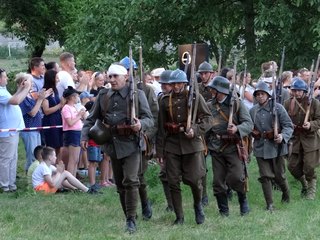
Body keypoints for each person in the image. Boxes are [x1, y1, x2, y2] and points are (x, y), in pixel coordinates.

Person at [81, 63, 153, 233]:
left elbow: (149, 118)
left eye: (116, 76)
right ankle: (129, 215)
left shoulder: (136, 94)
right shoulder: (104, 95)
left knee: (131, 181)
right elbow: (91, 119)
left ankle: (131, 219)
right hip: (112, 144)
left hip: (132, 144)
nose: (112, 80)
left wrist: (140, 124)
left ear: (125, 77)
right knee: (121, 186)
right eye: (110, 76)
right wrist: (84, 136)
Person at [156, 69, 212, 225]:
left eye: (179, 83)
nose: (176, 86)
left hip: (192, 146)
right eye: (173, 83)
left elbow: (208, 119)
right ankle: (179, 216)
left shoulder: (195, 98)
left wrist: (195, 130)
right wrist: (159, 151)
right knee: (172, 181)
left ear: (185, 84)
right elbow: (161, 127)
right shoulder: (165, 101)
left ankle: (198, 205)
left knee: (194, 180)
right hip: (172, 145)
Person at [206, 76, 253, 216]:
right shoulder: (209, 105)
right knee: (218, 182)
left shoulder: (237, 104)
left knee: (237, 177)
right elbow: (207, 126)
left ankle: (242, 200)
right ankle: (223, 211)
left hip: (234, 147)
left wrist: (237, 129)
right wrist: (205, 144)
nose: (212, 91)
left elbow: (249, 124)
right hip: (216, 146)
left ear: (221, 91)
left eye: (214, 89)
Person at [250, 81, 293, 211]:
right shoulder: (253, 111)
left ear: (268, 95)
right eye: (257, 94)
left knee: (279, 176)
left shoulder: (278, 108)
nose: (260, 96)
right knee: (265, 176)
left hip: (277, 147)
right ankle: (269, 204)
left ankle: (286, 193)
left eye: (262, 94)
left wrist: (283, 136)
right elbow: (248, 126)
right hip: (260, 147)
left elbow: (288, 125)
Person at [284, 78, 320, 200]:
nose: (297, 93)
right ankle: (304, 184)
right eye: (294, 90)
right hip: (296, 139)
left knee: (309, 167)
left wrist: (311, 125)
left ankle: (311, 190)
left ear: (304, 91)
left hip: (310, 139)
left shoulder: (314, 103)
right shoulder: (288, 103)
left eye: (299, 90)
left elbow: (319, 120)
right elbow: (285, 119)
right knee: (292, 166)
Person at [0, 69, 31, 192]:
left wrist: (21, 89)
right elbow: (16, 101)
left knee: (13, 158)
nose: (7, 79)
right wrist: (27, 89)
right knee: (6, 159)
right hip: (7, 130)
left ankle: (11, 184)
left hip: (13, 129)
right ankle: (4, 185)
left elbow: (14, 97)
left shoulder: (3, 90)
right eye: (5, 77)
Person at [18, 73, 52, 172]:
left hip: (35, 129)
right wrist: (41, 99)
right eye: (30, 82)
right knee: (32, 156)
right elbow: (32, 113)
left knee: (38, 155)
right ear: (22, 83)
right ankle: (30, 178)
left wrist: (43, 96)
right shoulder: (22, 98)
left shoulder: (29, 96)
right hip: (29, 130)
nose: (32, 85)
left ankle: (35, 176)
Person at [157, 70, 174, 211]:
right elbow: (159, 127)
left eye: (166, 84)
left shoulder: (186, 99)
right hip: (168, 143)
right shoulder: (161, 99)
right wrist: (159, 150)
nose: (163, 86)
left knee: (194, 176)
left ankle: (200, 200)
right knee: (165, 175)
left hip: (185, 143)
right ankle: (172, 204)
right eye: (162, 84)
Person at [61, 86, 86, 176]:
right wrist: (79, 115)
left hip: (77, 132)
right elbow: (70, 122)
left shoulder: (74, 107)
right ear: (72, 97)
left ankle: (73, 179)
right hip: (72, 133)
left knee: (76, 160)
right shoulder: (66, 108)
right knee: (73, 159)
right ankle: (69, 180)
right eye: (77, 96)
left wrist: (81, 116)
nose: (78, 98)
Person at [42, 70, 64, 162]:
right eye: (56, 77)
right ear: (52, 79)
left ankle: (57, 167)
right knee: (52, 146)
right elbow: (46, 111)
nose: (58, 80)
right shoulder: (45, 92)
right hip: (50, 121)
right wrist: (60, 105)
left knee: (59, 145)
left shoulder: (55, 91)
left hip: (58, 119)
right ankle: (50, 166)